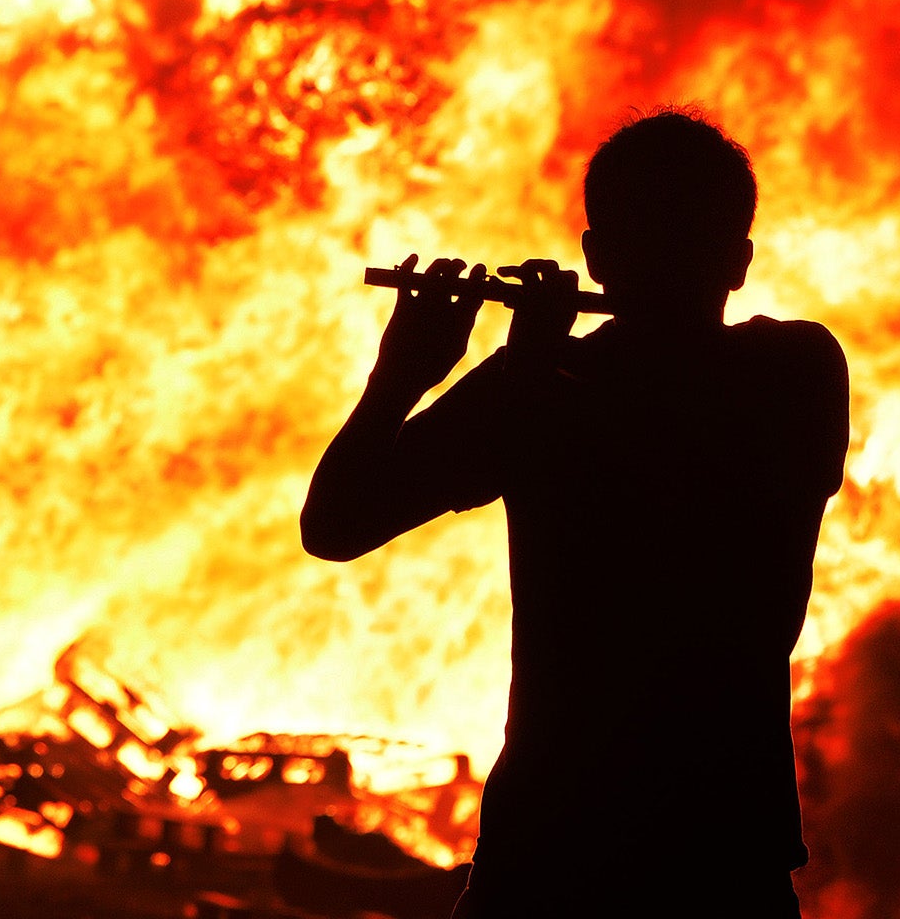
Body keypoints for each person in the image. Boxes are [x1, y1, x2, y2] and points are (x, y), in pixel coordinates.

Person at [302, 109, 849, 916]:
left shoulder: (544, 387)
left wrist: (409, 372)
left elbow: (335, 523)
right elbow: (335, 527)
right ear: (737, 263)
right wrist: (526, 368)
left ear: (597, 257)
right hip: (723, 847)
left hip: (550, 847)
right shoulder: (798, 374)